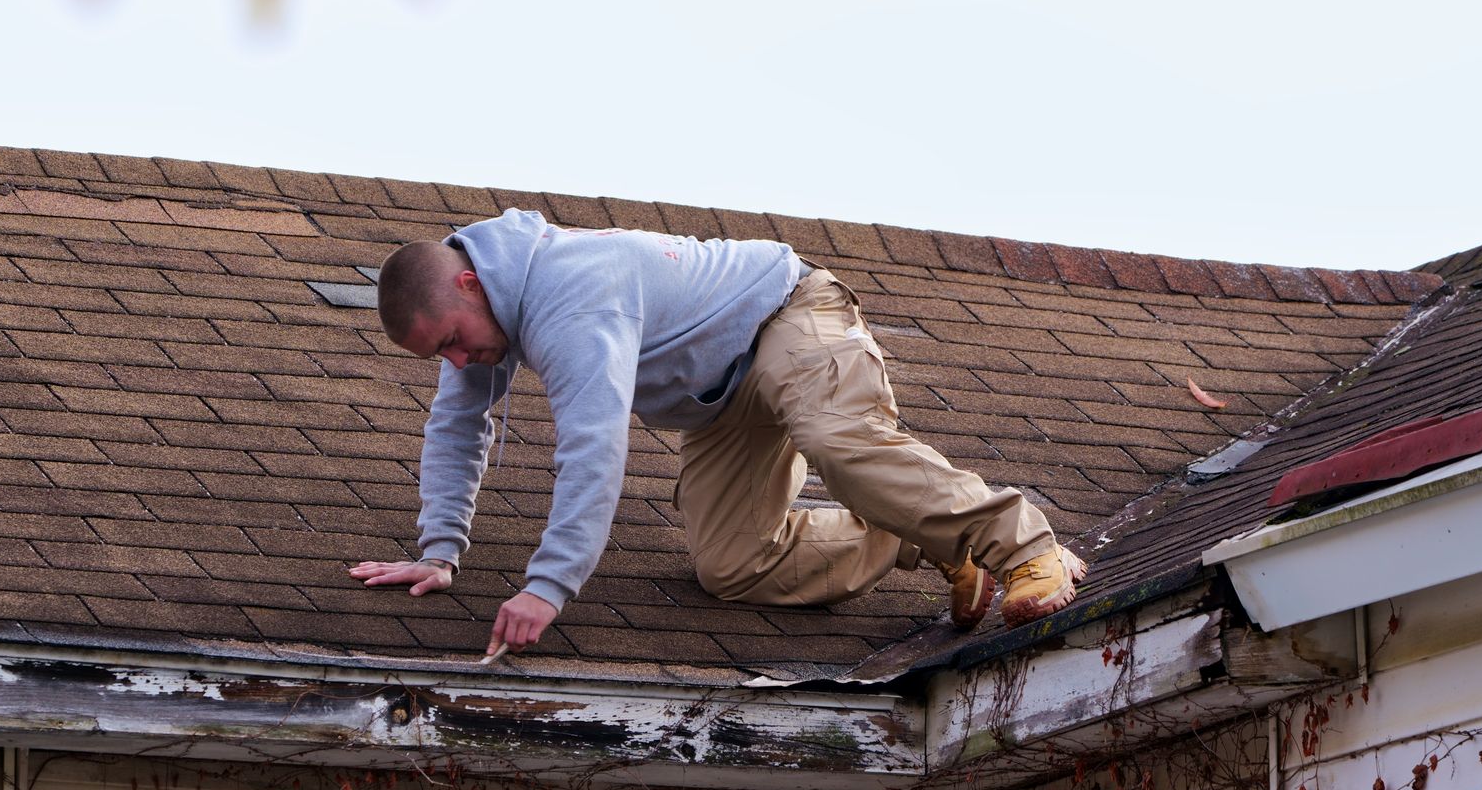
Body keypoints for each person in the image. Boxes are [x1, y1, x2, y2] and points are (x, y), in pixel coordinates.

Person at [349, 209, 1083, 659]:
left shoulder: (567, 295)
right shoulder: (484, 320)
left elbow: (593, 449)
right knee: (731, 567)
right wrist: (439, 551)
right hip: (721, 402)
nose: (458, 362)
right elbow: (455, 425)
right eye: (437, 356)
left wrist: (546, 589)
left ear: (471, 286)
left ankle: (1027, 546)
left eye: (451, 340)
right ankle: (918, 535)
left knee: (838, 443)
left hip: (786, 317)